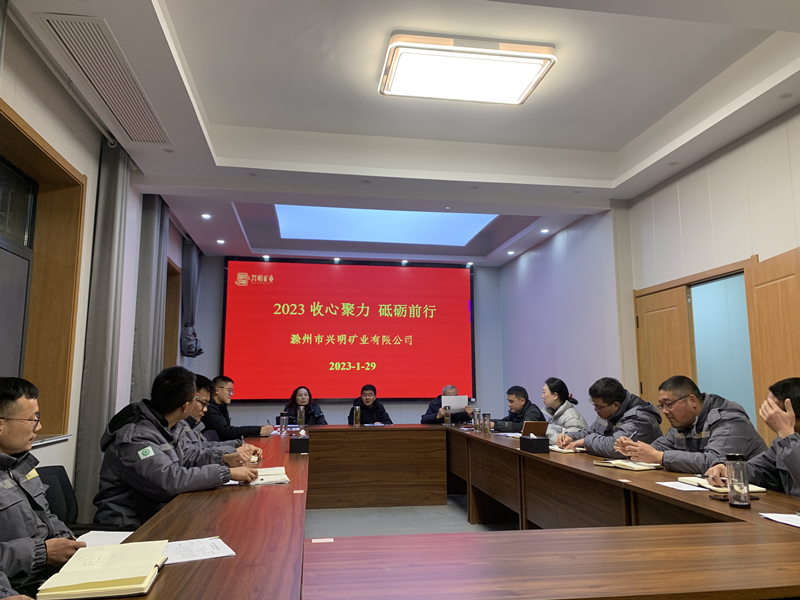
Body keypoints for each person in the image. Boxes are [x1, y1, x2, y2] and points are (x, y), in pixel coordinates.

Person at [94, 367, 258, 529]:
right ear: (186, 406)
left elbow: (187, 456)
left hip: (160, 513)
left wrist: (223, 458)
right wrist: (226, 473)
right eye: (197, 399)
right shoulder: (136, 437)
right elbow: (168, 481)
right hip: (129, 526)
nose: (203, 407)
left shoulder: (168, 425)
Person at [0, 378, 84, 597]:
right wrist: (42, 553)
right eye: (32, 419)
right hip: (18, 586)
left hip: (49, 576)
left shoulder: (19, 465)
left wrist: (66, 538)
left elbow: (45, 516)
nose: (39, 427)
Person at [614, 375, 766, 472]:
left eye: (669, 404)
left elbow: (713, 461)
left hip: (757, 496)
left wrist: (660, 457)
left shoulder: (729, 420)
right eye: (662, 405)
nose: (665, 411)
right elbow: (660, 448)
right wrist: (633, 449)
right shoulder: (683, 423)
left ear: (692, 401)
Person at [706, 378, 800, 495]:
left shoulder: (787, 439)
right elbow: (759, 471)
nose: (770, 417)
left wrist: (786, 434)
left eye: (775, 413)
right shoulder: (782, 443)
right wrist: (728, 469)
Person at [557, 377, 661, 458]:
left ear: (616, 405)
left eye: (598, 407)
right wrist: (571, 437)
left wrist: (586, 441)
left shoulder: (640, 417)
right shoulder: (607, 411)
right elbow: (590, 431)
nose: (595, 409)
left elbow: (615, 448)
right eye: (594, 405)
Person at [175, 375, 260, 467]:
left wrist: (237, 445)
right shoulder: (175, 427)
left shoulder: (189, 424)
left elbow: (204, 446)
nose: (205, 409)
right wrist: (231, 455)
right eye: (203, 403)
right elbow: (188, 461)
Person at [201, 376, 273, 441]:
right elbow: (226, 432)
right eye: (229, 390)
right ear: (217, 390)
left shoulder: (221, 406)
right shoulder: (209, 409)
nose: (231, 394)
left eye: (232, 391)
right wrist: (258, 430)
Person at [541, 378, 587, 444]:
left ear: (555, 396)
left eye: (544, 392)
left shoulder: (572, 417)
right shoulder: (553, 413)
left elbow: (572, 440)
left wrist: (545, 433)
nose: (542, 396)